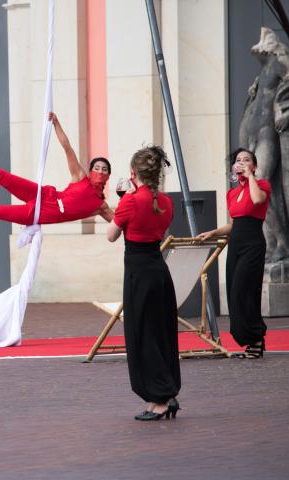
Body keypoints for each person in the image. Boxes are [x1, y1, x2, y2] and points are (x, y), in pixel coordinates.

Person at [0, 112, 114, 225]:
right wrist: (56, 123)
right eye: (97, 167)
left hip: (39, 214)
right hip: (43, 195)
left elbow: (119, 224)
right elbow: (67, 147)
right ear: (90, 171)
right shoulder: (80, 177)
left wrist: (128, 195)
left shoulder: (101, 206)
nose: (100, 171)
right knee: (2, 176)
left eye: (104, 169)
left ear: (108, 176)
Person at [106, 145, 180, 421]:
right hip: (159, 269)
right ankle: (163, 395)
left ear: (133, 173)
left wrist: (123, 204)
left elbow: (111, 235)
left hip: (138, 271)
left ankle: (159, 399)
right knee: (160, 333)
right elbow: (159, 228)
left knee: (142, 335)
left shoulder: (130, 201)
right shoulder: (167, 202)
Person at [198, 148, 271, 358]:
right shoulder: (232, 193)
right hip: (236, 244)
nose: (241, 163)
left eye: (247, 160)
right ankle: (251, 342)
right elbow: (233, 224)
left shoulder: (262, 185)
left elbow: (257, 201)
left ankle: (256, 337)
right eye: (238, 160)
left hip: (253, 244)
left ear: (254, 166)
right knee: (234, 293)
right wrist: (213, 232)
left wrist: (250, 177)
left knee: (244, 290)